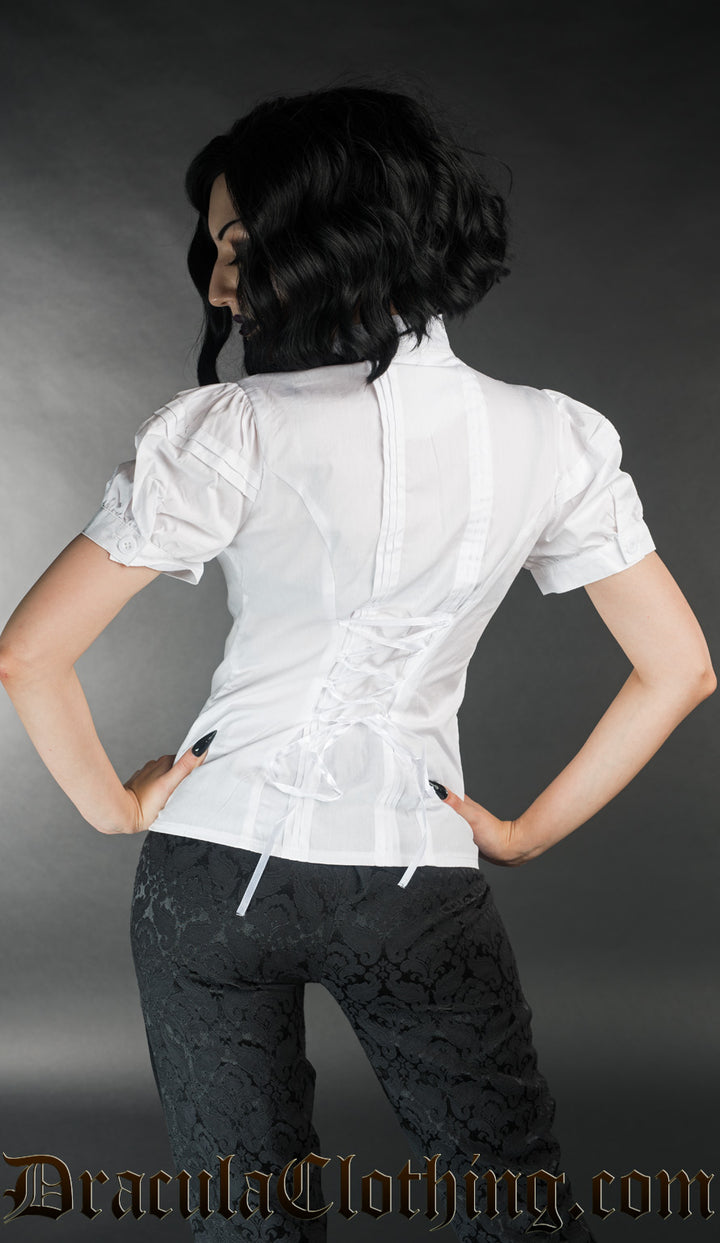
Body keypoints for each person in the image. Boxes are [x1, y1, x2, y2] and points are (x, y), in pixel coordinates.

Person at [0, 84, 714, 1242]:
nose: (219, 283)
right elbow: (680, 668)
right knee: (510, 1206)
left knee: (246, 1218)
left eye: (240, 245)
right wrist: (526, 832)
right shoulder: (555, 437)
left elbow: (29, 652)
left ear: (331, 235)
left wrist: (112, 806)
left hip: (206, 877)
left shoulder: (229, 428)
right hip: (411, 882)